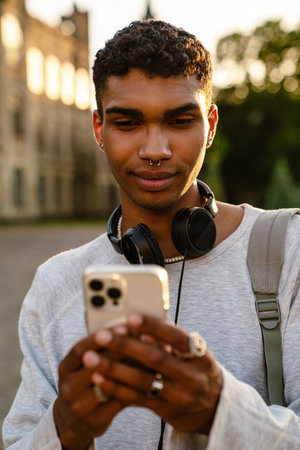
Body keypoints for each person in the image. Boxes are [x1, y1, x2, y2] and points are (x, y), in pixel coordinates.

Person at [3, 19, 300, 450]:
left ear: (211, 124)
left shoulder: (289, 251)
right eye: (128, 123)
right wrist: (64, 429)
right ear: (99, 130)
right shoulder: (57, 283)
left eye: (180, 121)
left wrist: (221, 411)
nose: (155, 150)